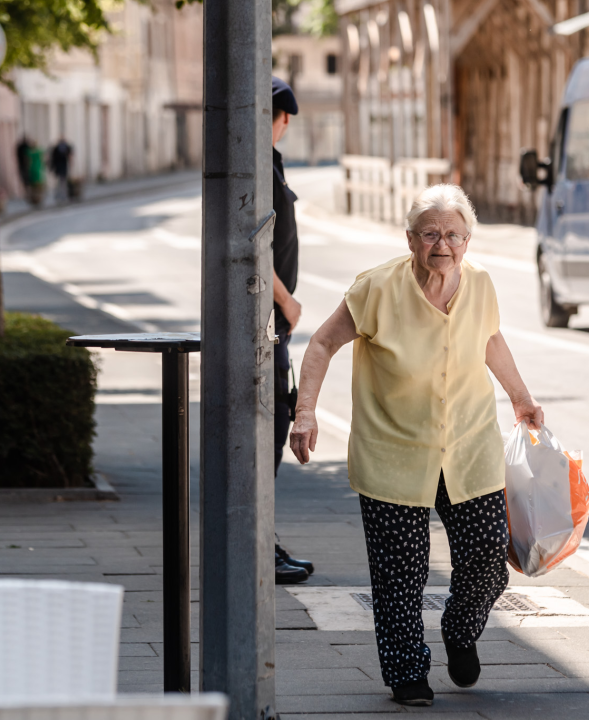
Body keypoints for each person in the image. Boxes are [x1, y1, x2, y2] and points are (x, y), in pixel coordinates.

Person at [289, 184, 544, 706]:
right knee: (401, 574)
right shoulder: (376, 288)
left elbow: (490, 339)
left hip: (469, 446)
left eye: (453, 234)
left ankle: (459, 628)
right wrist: (305, 410)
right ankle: (408, 672)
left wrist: (520, 397)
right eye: (431, 234)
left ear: (468, 241)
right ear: (410, 239)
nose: (442, 245)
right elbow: (321, 342)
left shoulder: (481, 285)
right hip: (394, 450)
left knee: (488, 559)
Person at [270, 76, 313, 586]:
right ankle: (258, 543)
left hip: (274, 323)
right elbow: (251, 239)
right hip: (268, 320)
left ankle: (262, 539)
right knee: (268, 432)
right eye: (283, 119)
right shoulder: (257, 164)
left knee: (273, 428)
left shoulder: (271, 164)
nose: (285, 128)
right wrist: (286, 301)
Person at [50, 138, 72, 204]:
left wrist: (52, 167)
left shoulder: (57, 148)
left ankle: (60, 195)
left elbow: (53, 159)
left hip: (59, 168)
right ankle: (61, 195)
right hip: (61, 167)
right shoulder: (63, 148)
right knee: (62, 182)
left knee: (60, 182)